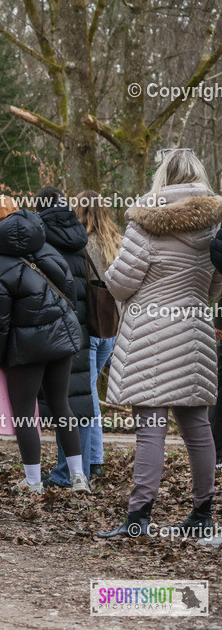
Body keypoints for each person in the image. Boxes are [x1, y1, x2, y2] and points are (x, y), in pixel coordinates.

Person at [99, 150, 222, 539]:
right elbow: (215, 287)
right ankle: (203, 515)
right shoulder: (216, 227)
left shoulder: (145, 224)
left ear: (162, 179)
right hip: (196, 332)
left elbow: (119, 284)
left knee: (151, 427)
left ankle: (139, 517)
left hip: (150, 334)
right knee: (198, 427)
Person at [0, 194, 89, 496]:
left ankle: (33, 481)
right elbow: (69, 290)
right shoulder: (46, 248)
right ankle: (79, 478)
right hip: (62, 338)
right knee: (61, 404)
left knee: (25, 410)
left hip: (27, 348)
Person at [33, 187, 96, 489]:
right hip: (80, 327)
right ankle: (77, 470)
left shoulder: (37, 237)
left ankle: (62, 473)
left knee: (58, 401)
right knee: (79, 402)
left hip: (51, 326)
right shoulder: (79, 235)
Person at [75, 190, 123, 479]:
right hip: (112, 327)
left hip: (89, 326)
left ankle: (94, 460)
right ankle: (93, 459)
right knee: (91, 390)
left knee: (89, 394)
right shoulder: (118, 241)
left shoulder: (80, 243)